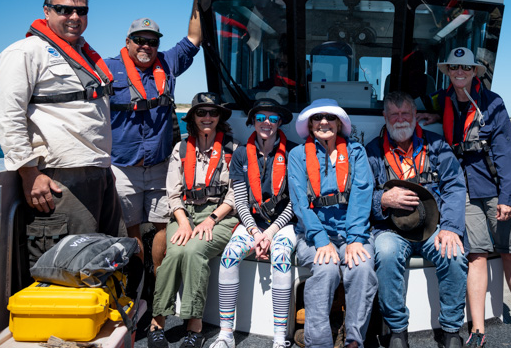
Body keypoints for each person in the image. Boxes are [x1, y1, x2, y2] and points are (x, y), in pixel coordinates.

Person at [0, 0, 125, 265]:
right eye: (64, 9)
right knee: (68, 268)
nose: (74, 17)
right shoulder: (25, 53)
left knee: (105, 261)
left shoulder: (83, 57)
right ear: (46, 11)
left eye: (81, 10)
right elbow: (6, 114)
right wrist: (29, 173)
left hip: (99, 176)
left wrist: (103, 167)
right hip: (60, 181)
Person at [422, 47, 511, 346]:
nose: (460, 72)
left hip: (495, 189)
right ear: (447, 71)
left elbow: (507, 154)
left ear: (475, 71)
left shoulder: (493, 103)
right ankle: (477, 328)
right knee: (476, 255)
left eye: (466, 68)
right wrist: (431, 114)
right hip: (465, 193)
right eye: (454, 68)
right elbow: (423, 109)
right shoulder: (442, 98)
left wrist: (506, 198)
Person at [106, 0, 202, 271]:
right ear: (128, 42)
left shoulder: (168, 63)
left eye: (152, 41)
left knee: (162, 225)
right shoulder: (108, 69)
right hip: (123, 166)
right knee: (131, 227)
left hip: (160, 165)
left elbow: (194, 38)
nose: (146, 46)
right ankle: (138, 283)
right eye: (140, 40)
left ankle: (157, 280)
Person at [365, 91, 469, 348]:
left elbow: (455, 187)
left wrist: (451, 228)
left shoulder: (437, 145)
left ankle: (451, 329)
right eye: (394, 114)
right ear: (385, 117)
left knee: (454, 255)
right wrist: (383, 200)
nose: (400, 119)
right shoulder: (372, 151)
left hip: (433, 227)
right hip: (390, 228)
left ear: (415, 116)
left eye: (405, 114)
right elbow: (360, 195)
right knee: (386, 255)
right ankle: (397, 331)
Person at [147, 93, 239, 348]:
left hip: (220, 217)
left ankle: (194, 325)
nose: (207, 117)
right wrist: (184, 222)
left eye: (213, 112)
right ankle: (158, 321)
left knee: (195, 251)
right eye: (201, 112)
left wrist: (210, 219)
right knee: (174, 253)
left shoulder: (233, 150)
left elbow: (235, 194)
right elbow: (173, 193)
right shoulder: (181, 149)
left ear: (220, 117)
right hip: (184, 213)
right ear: (193, 118)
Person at [288, 99, 378, 348]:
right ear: (310, 124)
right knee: (325, 270)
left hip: (352, 233)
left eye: (330, 117)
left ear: (339, 123)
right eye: (318, 118)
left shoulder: (356, 152)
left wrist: (355, 238)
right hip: (314, 234)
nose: (324, 122)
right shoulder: (297, 156)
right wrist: (320, 240)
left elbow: (362, 194)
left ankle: (353, 340)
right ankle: (319, 342)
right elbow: (300, 204)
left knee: (361, 268)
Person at [212, 98, 297, 348]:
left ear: (280, 122)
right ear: (253, 122)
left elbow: (294, 203)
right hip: (251, 224)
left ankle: (280, 339)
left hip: (283, 225)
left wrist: (269, 233)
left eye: (272, 118)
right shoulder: (240, 154)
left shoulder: (294, 152)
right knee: (229, 257)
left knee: (281, 259)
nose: (267, 123)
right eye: (261, 118)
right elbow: (239, 200)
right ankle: (225, 334)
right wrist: (254, 231)